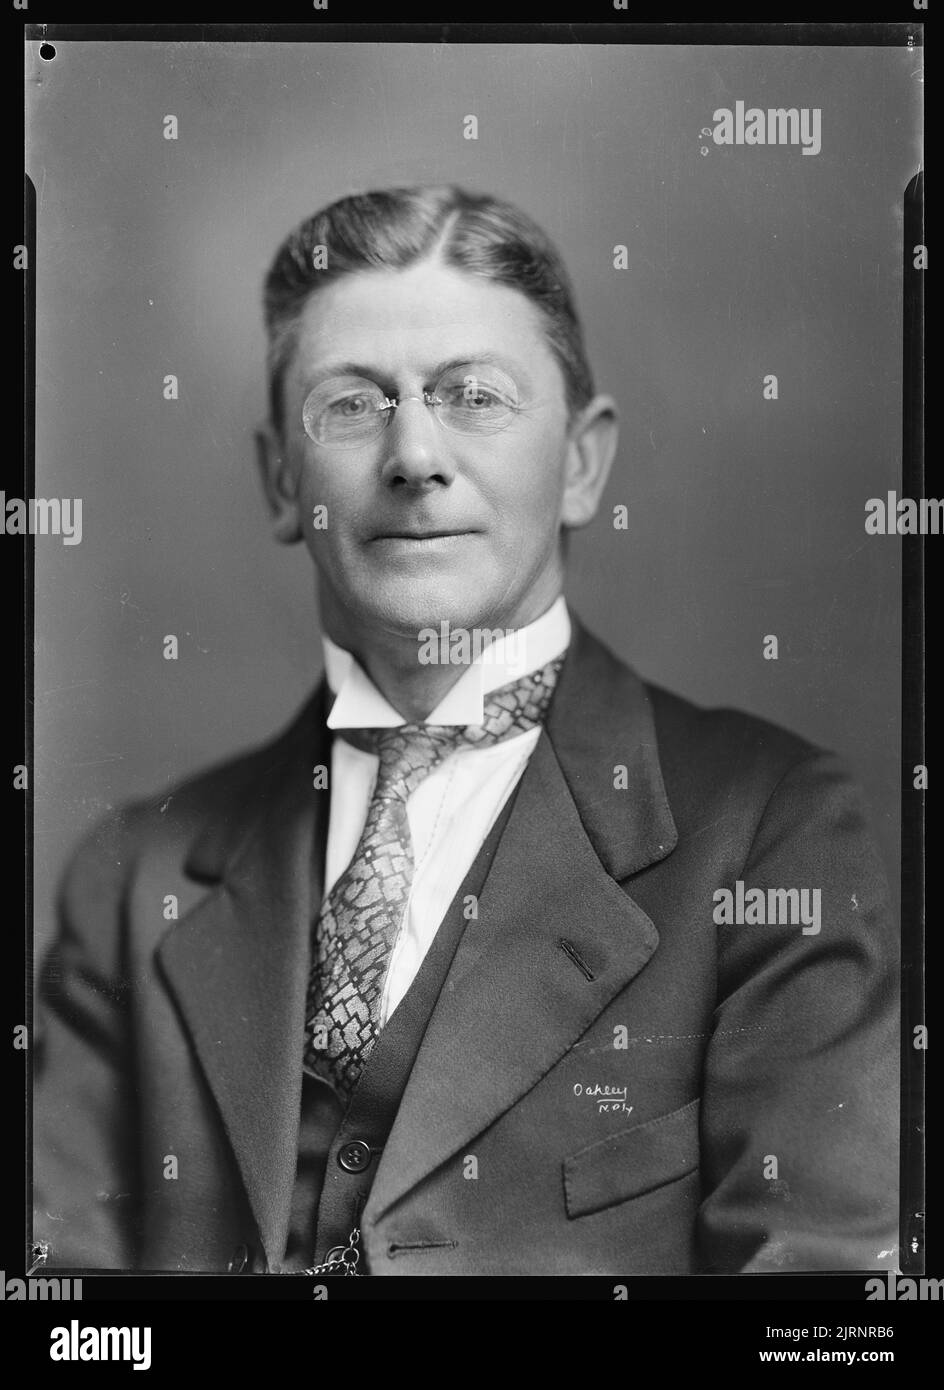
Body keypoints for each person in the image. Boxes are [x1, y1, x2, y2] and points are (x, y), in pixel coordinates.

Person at [33, 185, 899, 1276]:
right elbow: (60, 1318)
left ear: (580, 461)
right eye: (349, 405)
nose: (412, 454)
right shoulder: (129, 878)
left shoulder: (769, 829)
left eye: (473, 395)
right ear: (275, 477)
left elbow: (816, 1310)